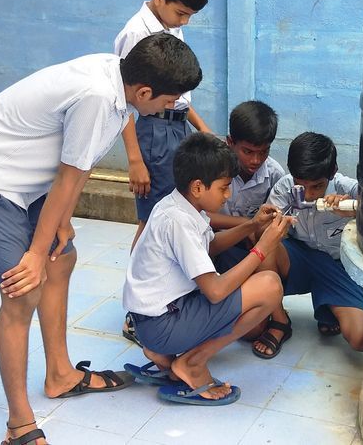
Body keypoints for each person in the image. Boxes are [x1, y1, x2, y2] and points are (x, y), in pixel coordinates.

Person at [0, 33, 202, 444]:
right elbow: (68, 175)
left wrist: (60, 222)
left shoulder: (119, 83)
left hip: (27, 178)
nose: (171, 107)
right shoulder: (98, 97)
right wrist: (33, 253)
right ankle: (19, 424)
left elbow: (80, 164)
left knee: (61, 257)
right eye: (169, 101)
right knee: (22, 288)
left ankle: (60, 375)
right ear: (145, 91)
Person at [122, 133, 293, 405]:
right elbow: (214, 291)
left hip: (152, 320)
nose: (228, 195)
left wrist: (252, 225)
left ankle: (163, 353)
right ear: (198, 187)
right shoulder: (179, 221)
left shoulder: (177, 205)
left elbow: (209, 247)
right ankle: (193, 362)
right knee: (270, 286)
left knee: (255, 284)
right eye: (224, 188)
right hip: (162, 324)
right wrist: (263, 247)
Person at [115, 0, 214, 248]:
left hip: (178, 127)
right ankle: (139, 276)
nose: (185, 21)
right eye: (181, 13)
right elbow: (124, 101)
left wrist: (202, 128)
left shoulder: (170, 26)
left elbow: (176, 91)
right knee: (152, 218)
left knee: (179, 209)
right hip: (154, 131)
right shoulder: (136, 33)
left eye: (190, 16)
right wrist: (135, 160)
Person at [254, 132, 363, 359]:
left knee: (362, 338)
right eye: (301, 185)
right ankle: (280, 320)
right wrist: (275, 226)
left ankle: (327, 304)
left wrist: (354, 209)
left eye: (317, 186)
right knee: (267, 241)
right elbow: (261, 233)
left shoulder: (346, 188)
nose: (308, 195)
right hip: (298, 258)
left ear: (332, 172)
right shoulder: (285, 187)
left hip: (337, 265)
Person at [210, 100, 286, 272]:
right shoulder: (212, 168)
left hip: (251, 245)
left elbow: (274, 222)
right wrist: (247, 224)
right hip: (214, 240)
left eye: (263, 151)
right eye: (248, 152)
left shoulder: (274, 174)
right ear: (230, 142)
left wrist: (256, 229)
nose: (256, 160)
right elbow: (200, 216)